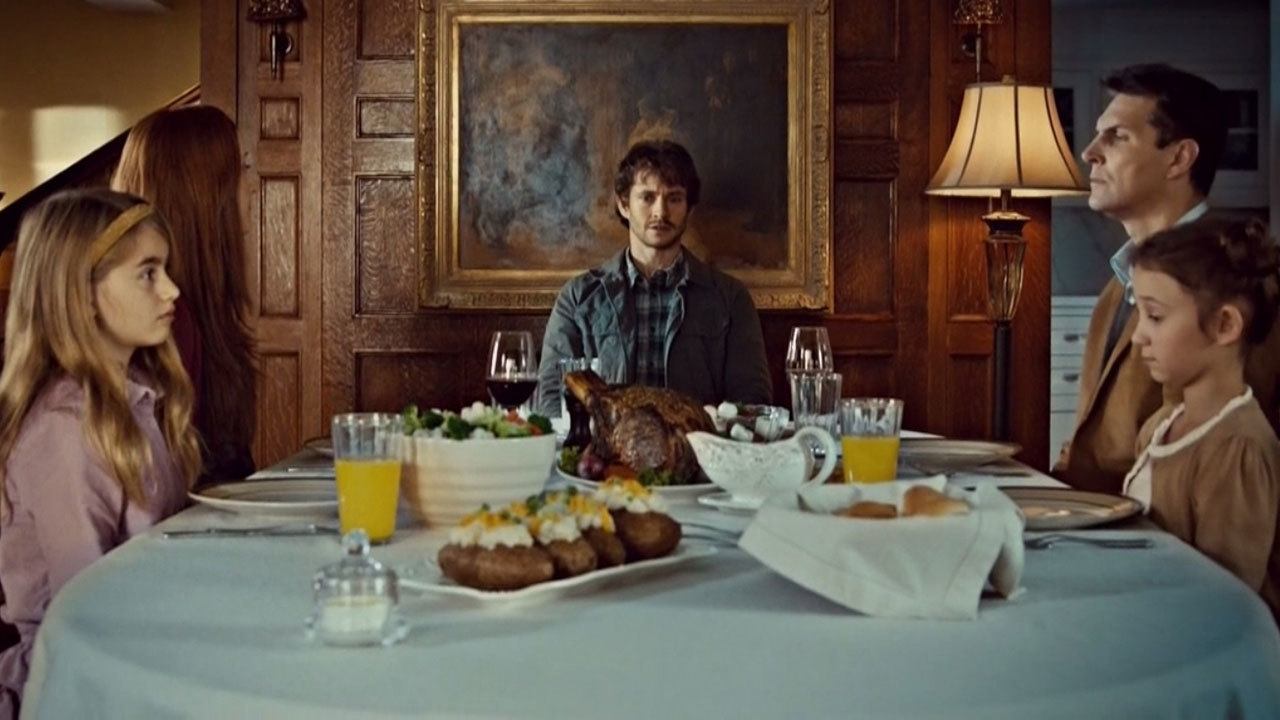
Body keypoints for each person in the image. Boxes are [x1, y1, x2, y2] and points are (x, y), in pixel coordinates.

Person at [0, 189, 201, 715]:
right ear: (81, 295)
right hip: (75, 684)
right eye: (147, 273)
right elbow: (85, 610)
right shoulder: (64, 430)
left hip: (136, 653)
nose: (172, 290)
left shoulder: (136, 399)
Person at [1054, 63, 1280, 493]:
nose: (1089, 153)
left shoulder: (1236, 278)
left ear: (1178, 158)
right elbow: (1086, 450)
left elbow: (1229, 459)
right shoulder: (1117, 284)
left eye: (1117, 136)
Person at [536, 140, 771, 414]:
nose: (661, 212)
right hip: (605, 442)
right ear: (624, 204)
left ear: (689, 207)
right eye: (647, 197)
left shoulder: (730, 299)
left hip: (696, 441)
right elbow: (551, 399)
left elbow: (752, 400)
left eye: (674, 198)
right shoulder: (578, 298)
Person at [1123, 217, 1280, 619]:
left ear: (1224, 325)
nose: (1138, 335)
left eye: (1155, 316)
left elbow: (1227, 602)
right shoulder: (1161, 425)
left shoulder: (1237, 449)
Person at [111, 106, 258, 483]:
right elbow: (157, 484)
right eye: (241, 168)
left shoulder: (194, 314)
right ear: (205, 194)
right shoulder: (168, 321)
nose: (253, 185)